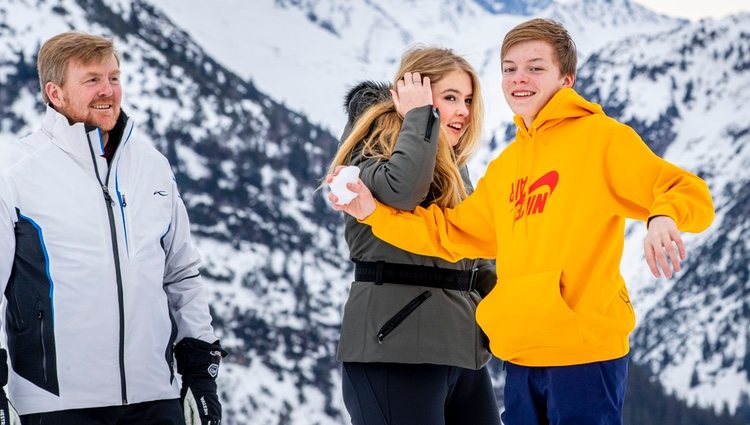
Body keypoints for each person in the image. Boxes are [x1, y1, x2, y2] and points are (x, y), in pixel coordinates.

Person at [328, 19, 715, 425]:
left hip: (583, 353)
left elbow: (686, 190)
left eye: (535, 67)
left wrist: (661, 216)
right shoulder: (506, 167)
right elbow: (451, 233)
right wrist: (375, 214)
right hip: (521, 357)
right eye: (509, 68)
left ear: (566, 79)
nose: (519, 78)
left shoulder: (602, 139)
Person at [0, 31, 226, 424]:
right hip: (56, 405)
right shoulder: (15, 172)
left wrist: (200, 375)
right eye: (92, 80)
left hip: (156, 398)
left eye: (114, 78)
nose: (108, 90)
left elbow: (182, 276)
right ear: (55, 93)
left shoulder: (151, 165)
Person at [327, 47, 502, 425]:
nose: (464, 112)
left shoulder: (453, 165)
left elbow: (473, 246)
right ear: (413, 96)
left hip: (462, 353)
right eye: (451, 98)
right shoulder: (367, 152)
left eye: (469, 100)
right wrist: (420, 116)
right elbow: (402, 192)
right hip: (394, 349)